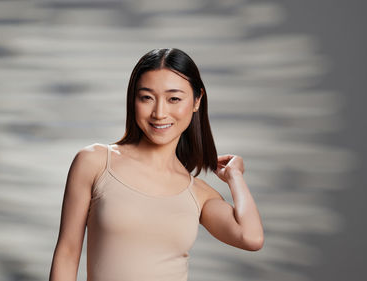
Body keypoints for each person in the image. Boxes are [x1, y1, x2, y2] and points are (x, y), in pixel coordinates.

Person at [49, 48, 264, 281]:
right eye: (147, 97)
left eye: (174, 99)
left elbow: (250, 238)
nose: (159, 112)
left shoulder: (199, 194)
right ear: (133, 100)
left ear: (197, 100)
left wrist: (235, 176)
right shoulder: (95, 162)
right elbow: (68, 253)